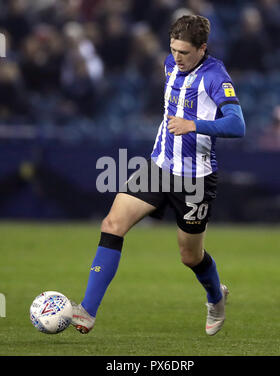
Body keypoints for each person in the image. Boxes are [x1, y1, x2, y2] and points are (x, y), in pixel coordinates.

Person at [71, 15, 246, 336]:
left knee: (189, 256)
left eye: (184, 52)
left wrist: (195, 125)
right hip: (158, 168)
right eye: (173, 49)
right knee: (112, 224)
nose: (176, 57)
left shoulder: (215, 76)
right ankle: (87, 310)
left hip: (195, 180)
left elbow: (238, 124)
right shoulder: (169, 65)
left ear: (202, 49)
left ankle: (215, 295)